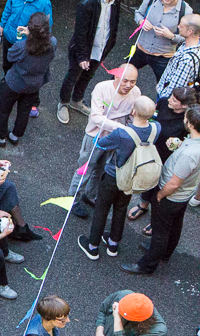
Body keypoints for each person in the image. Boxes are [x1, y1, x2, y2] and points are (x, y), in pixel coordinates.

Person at [121, 105, 200, 275]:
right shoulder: (194, 145)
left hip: (171, 196)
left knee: (160, 233)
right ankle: (165, 254)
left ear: (191, 124)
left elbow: (174, 184)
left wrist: (159, 195)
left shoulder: (189, 154)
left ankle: (147, 265)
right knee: (175, 224)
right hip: (185, 195)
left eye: (186, 118)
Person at [76, 96, 157, 261]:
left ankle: (92, 246)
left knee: (101, 210)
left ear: (133, 111)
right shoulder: (156, 128)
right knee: (121, 209)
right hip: (132, 178)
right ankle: (113, 243)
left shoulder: (122, 133)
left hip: (113, 176)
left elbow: (100, 143)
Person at [70, 64, 142, 219]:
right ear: (116, 76)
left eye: (133, 81)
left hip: (115, 139)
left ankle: (90, 195)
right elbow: (96, 118)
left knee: (102, 170)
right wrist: (122, 129)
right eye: (125, 81)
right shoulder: (102, 88)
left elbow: (131, 117)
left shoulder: (136, 92)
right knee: (85, 169)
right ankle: (72, 200)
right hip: (96, 136)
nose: (129, 85)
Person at [0, 12, 56, 146]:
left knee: (3, 110)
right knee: (24, 111)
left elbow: (10, 57)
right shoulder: (52, 43)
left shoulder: (22, 46)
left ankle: (0, 137)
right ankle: (15, 135)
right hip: (34, 84)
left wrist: (23, 37)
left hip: (14, 83)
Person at [0, 0, 54, 85]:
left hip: (25, 41)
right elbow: (8, 9)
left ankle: (17, 88)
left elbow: (47, 25)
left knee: (21, 67)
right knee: (6, 63)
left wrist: (38, 40)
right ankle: (6, 84)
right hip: (9, 35)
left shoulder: (44, 3)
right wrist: (2, 25)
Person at [130, 0, 191, 83]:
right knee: (121, 77)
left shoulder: (185, 10)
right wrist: (141, 22)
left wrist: (171, 36)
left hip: (163, 57)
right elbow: (138, 13)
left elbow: (187, 38)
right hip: (140, 49)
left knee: (164, 88)